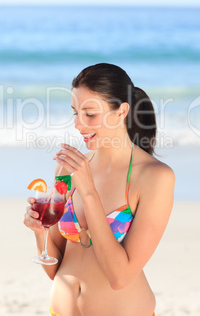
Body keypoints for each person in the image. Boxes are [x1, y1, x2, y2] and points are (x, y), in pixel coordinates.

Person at [24, 63, 175, 316]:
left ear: (121, 111)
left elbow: (120, 277)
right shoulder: (68, 170)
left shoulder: (155, 177)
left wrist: (89, 192)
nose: (78, 125)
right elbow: (56, 268)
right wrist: (40, 232)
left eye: (90, 114)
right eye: (75, 113)